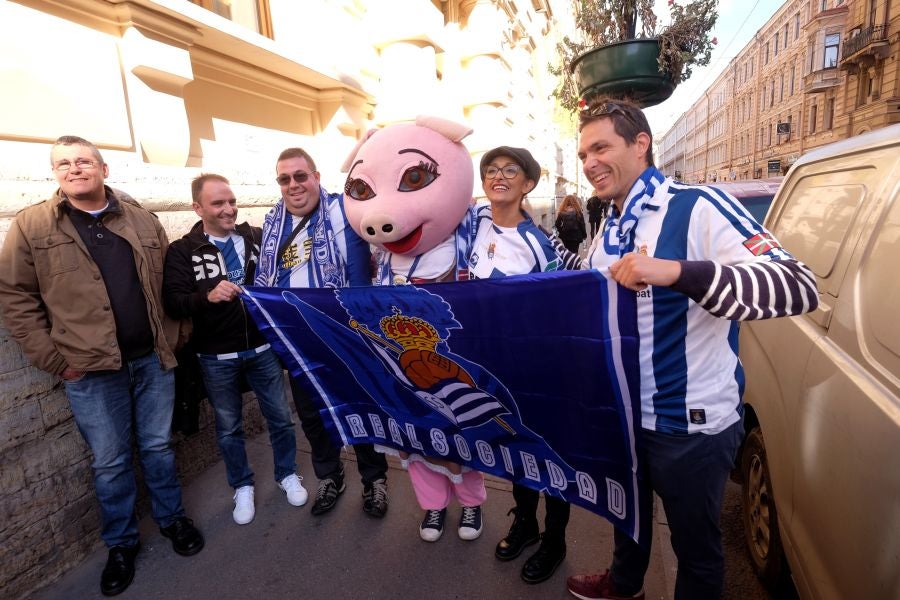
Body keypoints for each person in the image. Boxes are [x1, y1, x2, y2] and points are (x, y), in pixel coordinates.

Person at [566, 98, 819, 600]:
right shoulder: (610, 223)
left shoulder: (697, 205)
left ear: (641, 144)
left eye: (601, 147)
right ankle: (625, 583)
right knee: (629, 516)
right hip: (622, 417)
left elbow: (796, 285)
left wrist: (676, 271)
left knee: (696, 550)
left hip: (690, 428)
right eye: (583, 154)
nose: (590, 162)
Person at [0, 136, 204, 597]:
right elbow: (15, 297)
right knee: (110, 462)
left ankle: (173, 521)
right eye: (63, 164)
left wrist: (180, 333)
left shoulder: (141, 218)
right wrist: (54, 360)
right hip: (90, 371)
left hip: (153, 360)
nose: (74, 169)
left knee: (157, 448)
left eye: (84, 161)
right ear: (55, 173)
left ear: (104, 169)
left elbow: (170, 281)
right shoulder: (32, 225)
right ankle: (121, 544)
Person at [162, 174, 307, 526]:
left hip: (262, 349)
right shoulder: (183, 251)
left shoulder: (256, 237)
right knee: (228, 428)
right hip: (215, 357)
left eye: (231, 201)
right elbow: (173, 301)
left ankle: (287, 473)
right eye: (218, 203)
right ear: (198, 208)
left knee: (281, 418)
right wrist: (206, 297)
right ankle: (242, 485)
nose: (229, 209)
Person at [255, 147, 389, 518]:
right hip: (297, 339)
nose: (293, 184)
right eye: (285, 178)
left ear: (316, 177)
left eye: (301, 176)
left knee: (359, 408)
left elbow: (360, 282)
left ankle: (374, 479)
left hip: (342, 334)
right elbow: (267, 282)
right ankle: (330, 476)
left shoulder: (342, 214)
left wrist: (359, 332)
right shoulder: (272, 223)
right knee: (312, 415)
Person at [472, 146, 573, 584]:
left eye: (509, 170)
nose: (499, 176)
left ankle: (554, 539)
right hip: (492, 367)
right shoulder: (472, 227)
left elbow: (559, 302)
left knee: (547, 455)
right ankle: (525, 523)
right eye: (491, 170)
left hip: (536, 368)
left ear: (527, 183)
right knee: (515, 453)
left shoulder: (538, 241)